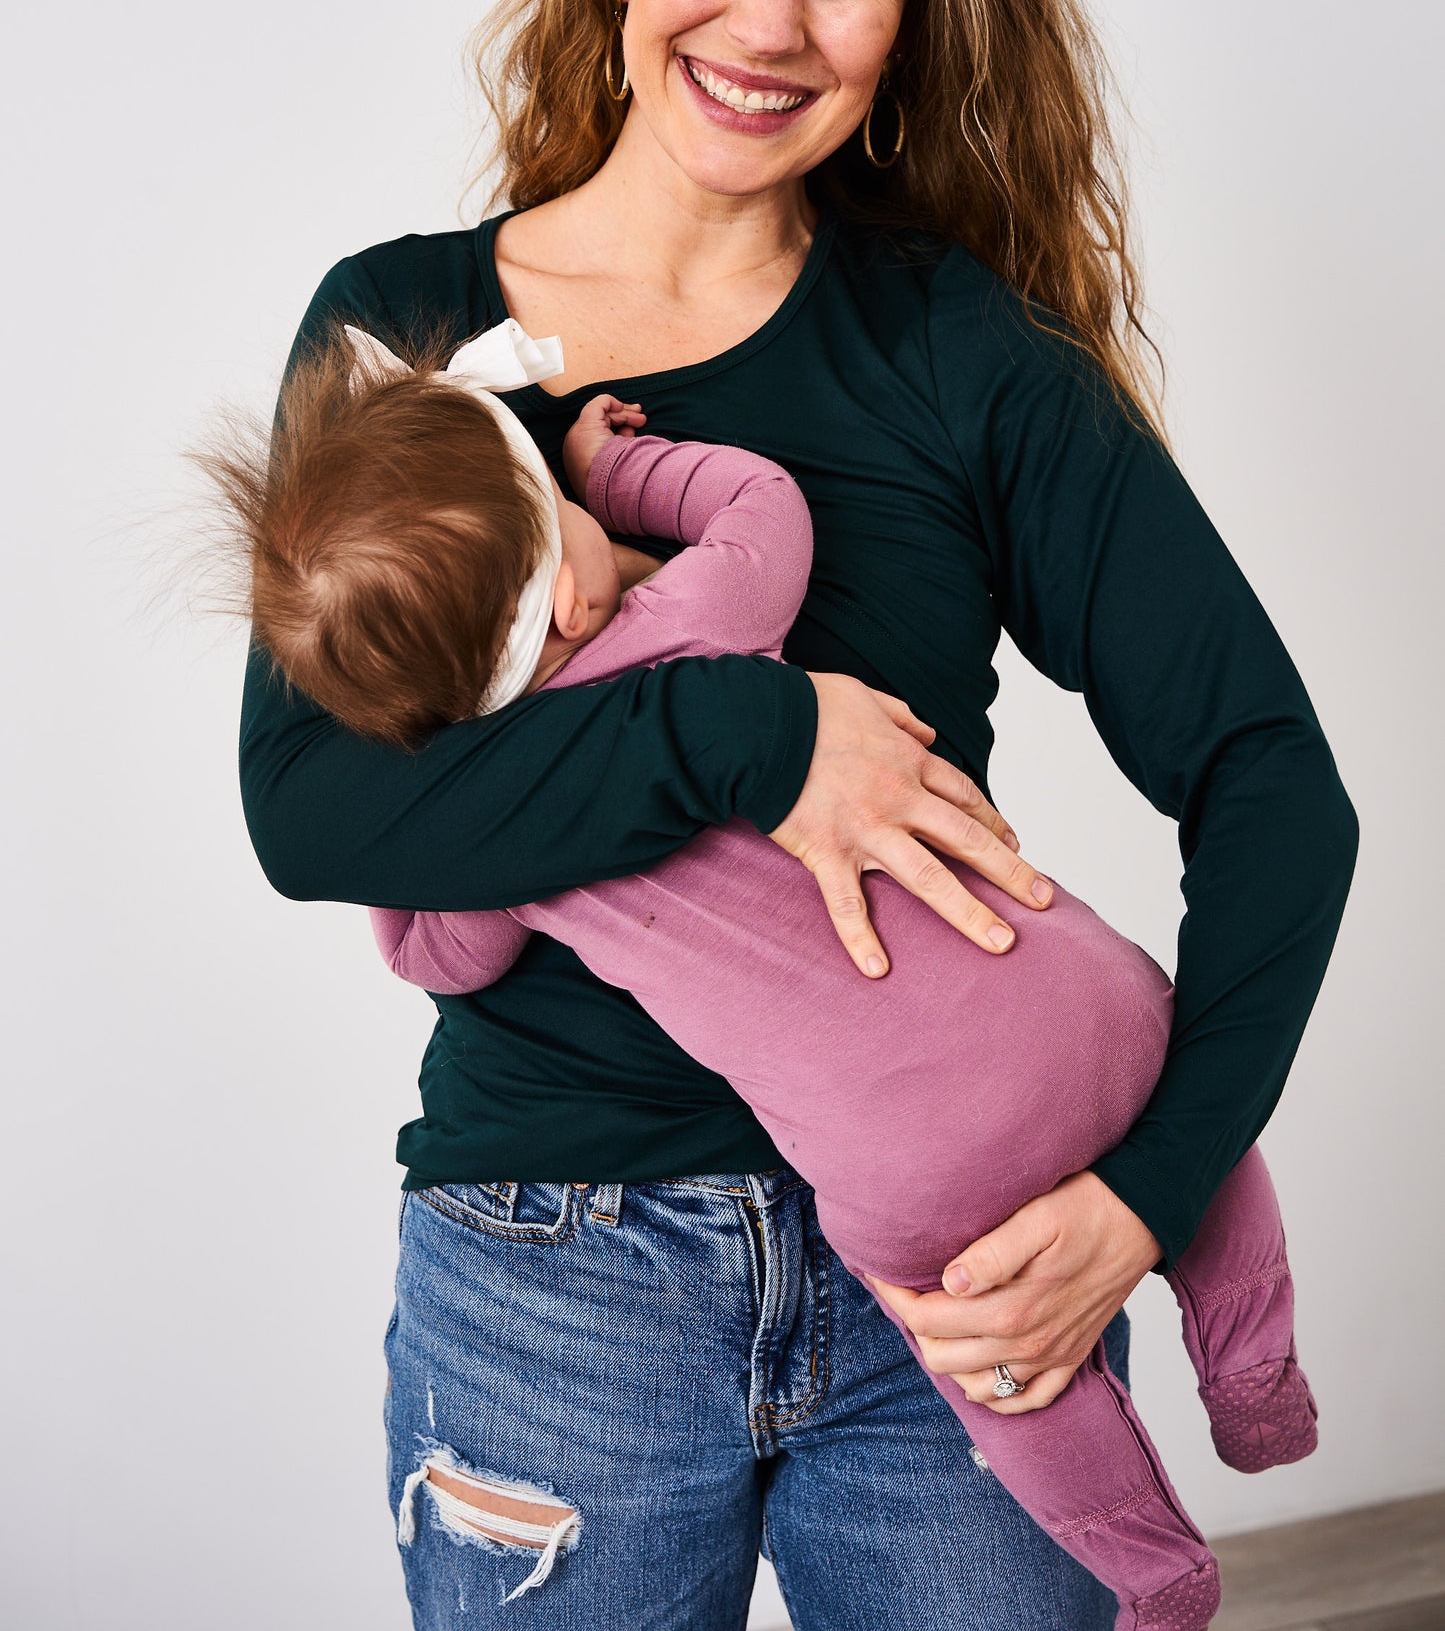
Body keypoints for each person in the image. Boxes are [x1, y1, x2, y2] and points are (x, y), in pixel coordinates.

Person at [237, 0, 1358, 1629]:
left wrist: (1147, 1188)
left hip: (964, 1269)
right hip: (550, 1280)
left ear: (907, 16)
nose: (770, 21)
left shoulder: (959, 353)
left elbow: (1274, 773)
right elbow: (320, 803)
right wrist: (755, 737)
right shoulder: (409, 340)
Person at [209, 313, 1321, 1628]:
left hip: (907, 1172)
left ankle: (1157, 1572)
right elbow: (760, 503)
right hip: (1074, 996)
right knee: (1150, 1101)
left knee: (1004, 1379)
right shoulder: (693, 619)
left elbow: (438, 953)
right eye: (554, 501)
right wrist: (619, 473)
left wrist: (441, 806)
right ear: (569, 591)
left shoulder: (512, 834)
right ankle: (1256, 1379)